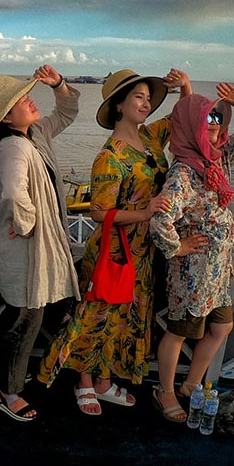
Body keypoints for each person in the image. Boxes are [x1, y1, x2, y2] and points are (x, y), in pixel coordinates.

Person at [38, 68, 191, 416]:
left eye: (148, 98)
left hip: (143, 252)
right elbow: (98, 212)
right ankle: (85, 382)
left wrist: (186, 86)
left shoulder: (150, 137)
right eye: (138, 97)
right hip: (114, 251)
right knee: (97, 317)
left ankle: (104, 382)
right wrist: (145, 211)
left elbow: (182, 118)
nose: (146, 103)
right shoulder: (110, 157)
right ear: (119, 105)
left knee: (122, 319)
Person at [149, 84, 234, 422]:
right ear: (190, 126)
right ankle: (165, 391)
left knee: (222, 328)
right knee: (178, 331)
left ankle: (190, 385)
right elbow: (159, 220)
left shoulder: (218, 159)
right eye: (207, 118)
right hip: (192, 274)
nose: (214, 123)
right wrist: (177, 246)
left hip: (219, 271)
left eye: (217, 117)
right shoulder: (183, 173)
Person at [0, 65, 81, 422]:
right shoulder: (12, 147)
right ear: (7, 117)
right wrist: (28, 223)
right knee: (26, 319)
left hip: (34, 245)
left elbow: (66, 113)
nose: (30, 101)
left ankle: (0, 365)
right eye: (22, 100)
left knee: (22, 313)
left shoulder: (34, 133)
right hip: (26, 247)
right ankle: (8, 392)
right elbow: (12, 193)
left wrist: (59, 85)